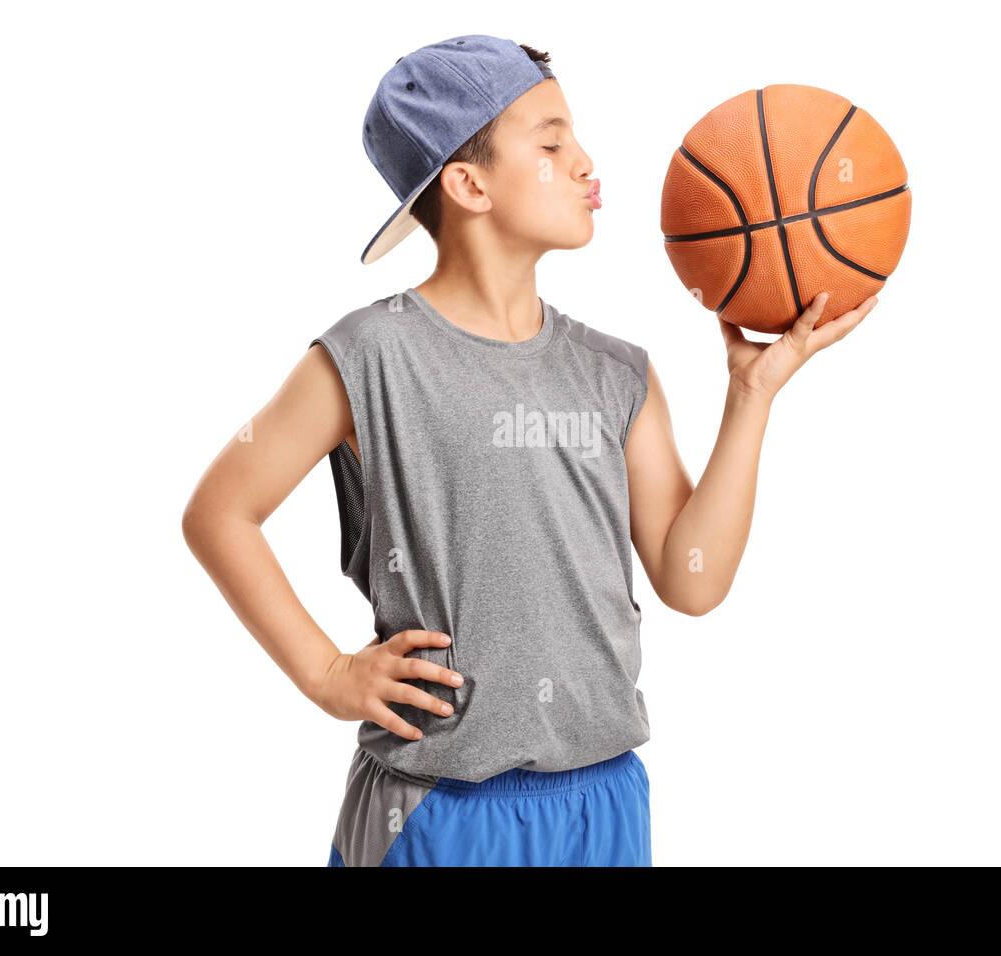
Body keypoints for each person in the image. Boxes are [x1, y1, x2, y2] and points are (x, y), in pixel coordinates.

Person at [181, 34, 876, 866]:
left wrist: (751, 396)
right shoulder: (370, 356)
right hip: (438, 809)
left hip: (603, 801)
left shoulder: (619, 372)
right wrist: (330, 674)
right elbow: (219, 512)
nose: (585, 162)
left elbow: (692, 581)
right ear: (468, 183)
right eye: (550, 143)